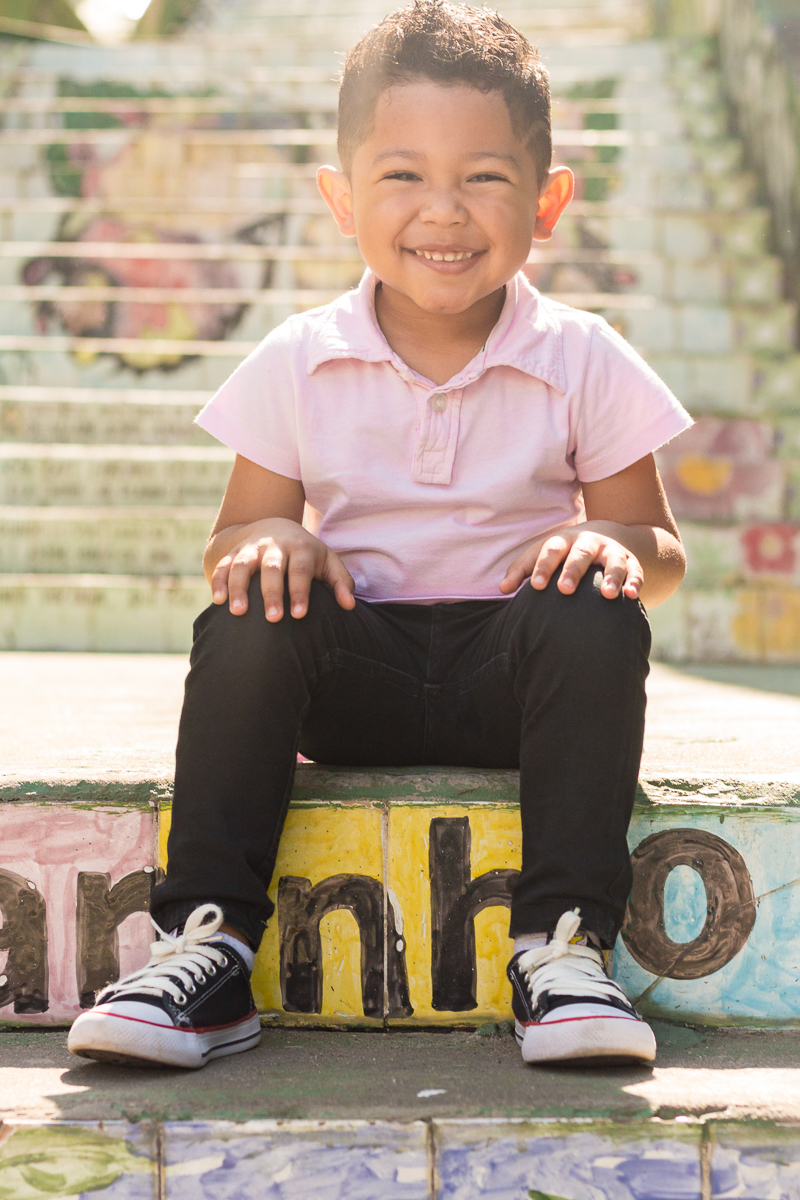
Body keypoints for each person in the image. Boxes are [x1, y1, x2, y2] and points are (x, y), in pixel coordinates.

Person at [68, 0, 691, 1071]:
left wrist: (615, 549)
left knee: (594, 604)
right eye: (401, 175)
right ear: (340, 200)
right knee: (248, 607)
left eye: (483, 178)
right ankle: (203, 950)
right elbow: (229, 543)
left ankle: (563, 949)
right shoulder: (299, 355)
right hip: (353, 677)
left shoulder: (582, 355)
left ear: (545, 203)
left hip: (512, 682)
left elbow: (659, 546)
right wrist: (276, 541)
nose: (441, 211)